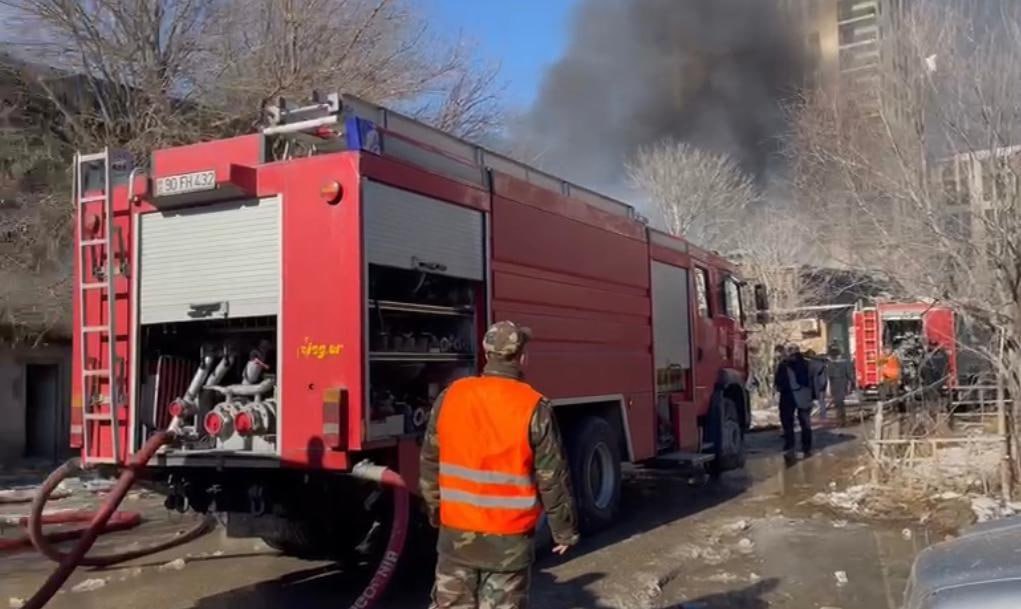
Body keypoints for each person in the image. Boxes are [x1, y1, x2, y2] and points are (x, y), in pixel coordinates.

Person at [420, 321, 579, 609]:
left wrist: (435, 512)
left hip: (456, 537)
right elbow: (552, 476)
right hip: (508, 544)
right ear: (522, 357)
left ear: (486, 353)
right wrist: (563, 530)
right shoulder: (533, 406)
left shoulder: (451, 396)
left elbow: (430, 463)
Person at [775, 344, 815, 457]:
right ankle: (806, 447)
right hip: (804, 395)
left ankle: (790, 445)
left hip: (787, 396)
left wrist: (781, 388)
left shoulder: (784, 365)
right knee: (805, 422)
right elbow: (812, 380)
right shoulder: (807, 364)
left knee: (787, 422)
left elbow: (778, 382)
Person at [825, 344, 854, 426]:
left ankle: (841, 420)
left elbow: (849, 375)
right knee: (838, 403)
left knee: (839, 403)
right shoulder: (832, 364)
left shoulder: (841, 363)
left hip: (840, 383)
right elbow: (829, 377)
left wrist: (850, 384)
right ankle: (840, 420)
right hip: (837, 383)